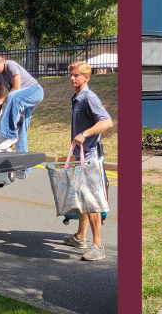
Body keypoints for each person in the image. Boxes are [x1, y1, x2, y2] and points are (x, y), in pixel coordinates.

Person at [61, 61, 113, 261]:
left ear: (87, 77)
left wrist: (85, 133)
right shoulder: (77, 97)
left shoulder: (88, 97)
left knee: (91, 200)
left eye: (77, 75)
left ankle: (98, 247)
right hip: (83, 154)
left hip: (90, 155)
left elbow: (107, 121)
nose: (73, 78)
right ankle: (80, 237)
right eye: (71, 75)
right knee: (84, 197)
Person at [0, 53, 43, 172]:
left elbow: (17, 88)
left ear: (0, 62)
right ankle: (23, 169)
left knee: (13, 96)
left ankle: (10, 134)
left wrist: (1, 101)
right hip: (20, 99)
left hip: (34, 91)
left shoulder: (10, 65)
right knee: (21, 129)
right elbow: (1, 90)